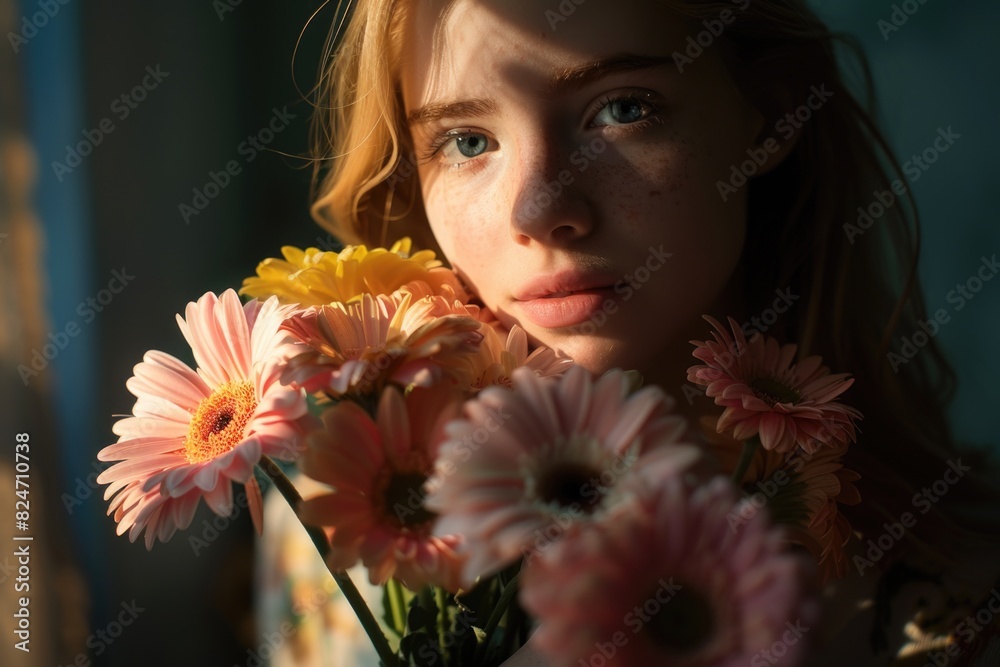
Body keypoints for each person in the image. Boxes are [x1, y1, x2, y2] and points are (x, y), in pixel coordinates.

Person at [291, 0, 1000, 663]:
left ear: (774, 112)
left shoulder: (963, 588)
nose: (540, 208)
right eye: (466, 139)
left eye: (622, 109)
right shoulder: (339, 542)